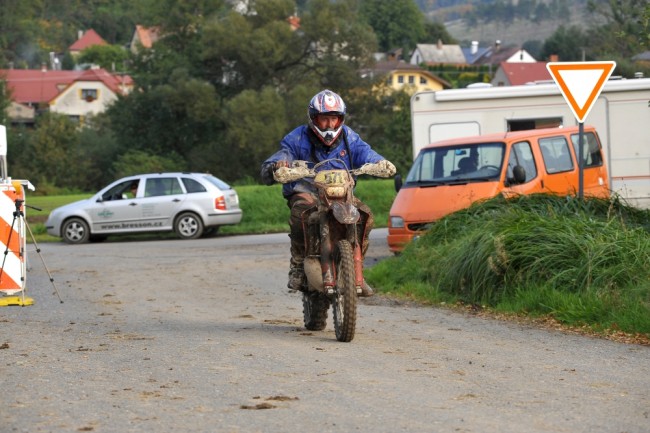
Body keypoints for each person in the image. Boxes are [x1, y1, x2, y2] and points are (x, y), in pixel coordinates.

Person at [260, 89, 395, 296]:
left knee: (365, 216)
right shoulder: (296, 138)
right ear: (314, 118)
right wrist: (277, 166)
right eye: (324, 120)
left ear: (340, 119)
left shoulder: (350, 137)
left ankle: (357, 269)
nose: (330, 125)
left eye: (334, 119)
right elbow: (281, 156)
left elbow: (366, 153)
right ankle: (297, 265)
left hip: (341, 194)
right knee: (301, 214)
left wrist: (380, 162)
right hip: (307, 191)